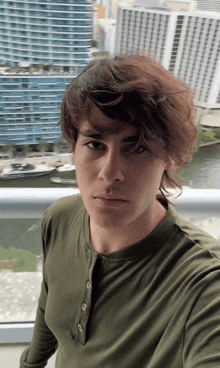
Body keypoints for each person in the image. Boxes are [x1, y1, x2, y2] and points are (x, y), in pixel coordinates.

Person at [20, 54, 220, 368]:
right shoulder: (60, 218)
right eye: (95, 144)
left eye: (137, 147)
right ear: (74, 148)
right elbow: (51, 305)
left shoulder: (204, 282)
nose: (110, 172)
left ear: (167, 157)